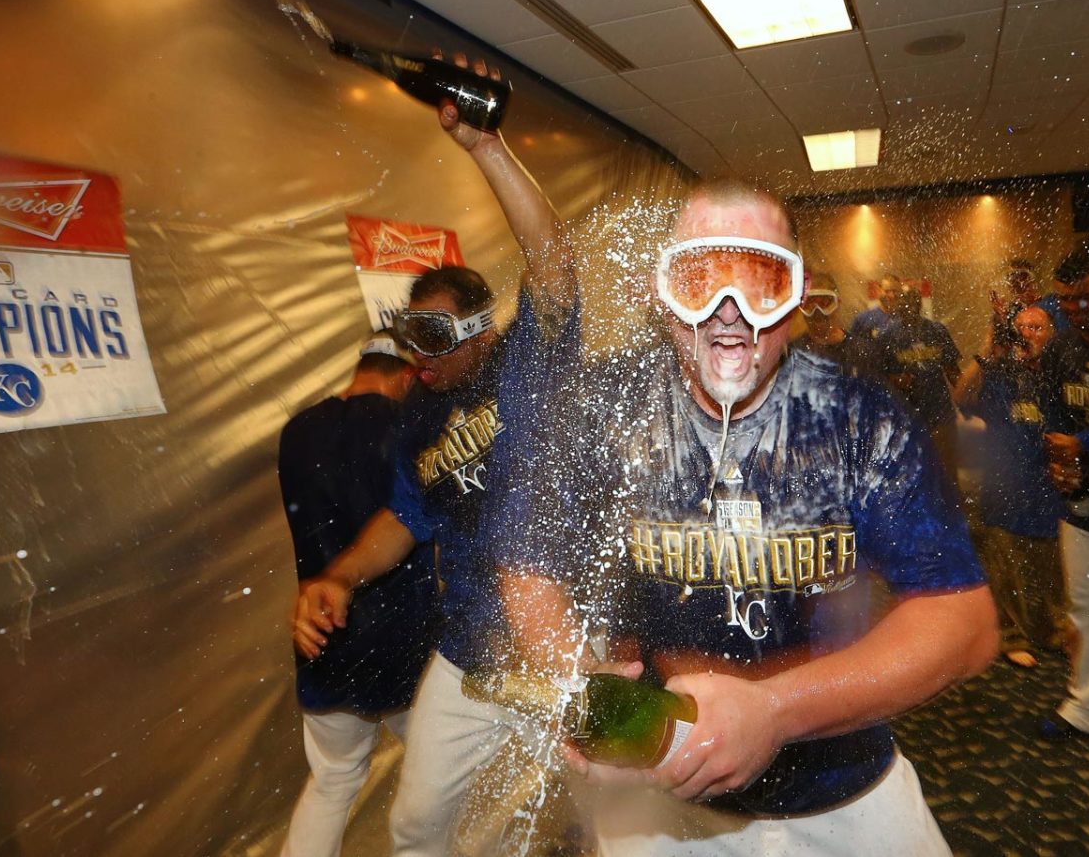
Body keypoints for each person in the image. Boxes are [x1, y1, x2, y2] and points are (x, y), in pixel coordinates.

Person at [491, 179, 997, 856]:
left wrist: (777, 711)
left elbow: (963, 621)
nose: (728, 311)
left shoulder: (859, 419)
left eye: (759, 278)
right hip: (660, 795)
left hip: (843, 787)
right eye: (700, 277)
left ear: (797, 296)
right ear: (658, 290)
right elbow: (529, 562)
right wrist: (581, 686)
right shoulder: (603, 410)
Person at [291, 52, 579, 856]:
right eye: (406, 335)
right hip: (471, 648)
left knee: (620, 816)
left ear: (480, 329)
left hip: (563, 630)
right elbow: (406, 516)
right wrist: (340, 574)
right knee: (417, 826)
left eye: (433, 335)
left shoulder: (530, 360)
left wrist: (486, 148)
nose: (418, 356)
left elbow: (553, 263)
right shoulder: (418, 414)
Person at [278, 332, 436, 857]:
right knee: (443, 786)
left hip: (322, 633)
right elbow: (418, 524)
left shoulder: (296, 432)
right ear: (407, 376)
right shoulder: (406, 427)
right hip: (402, 641)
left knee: (331, 783)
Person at [953, 306, 1068, 669]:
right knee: (1005, 571)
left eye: (1035, 327)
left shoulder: (1057, 373)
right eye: (1020, 328)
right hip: (1004, 487)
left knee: (1055, 574)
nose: (1027, 334)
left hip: (1049, 490)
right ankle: (1011, 636)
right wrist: (988, 351)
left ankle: (1055, 631)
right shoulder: (1000, 373)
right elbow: (960, 397)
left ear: (1050, 333)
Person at [1037, 244, 1089, 740]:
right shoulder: (1063, 349)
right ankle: (1088, 709)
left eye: (1084, 298)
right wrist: (1061, 464)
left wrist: (1083, 444)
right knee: (1085, 609)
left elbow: (1079, 434)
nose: (1073, 311)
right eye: (1064, 301)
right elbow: (1054, 417)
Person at [875, 284, 963, 488]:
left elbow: (952, 371)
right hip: (906, 416)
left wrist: (966, 401)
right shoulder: (887, 336)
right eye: (905, 301)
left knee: (946, 472)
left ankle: (949, 513)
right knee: (910, 475)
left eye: (913, 301)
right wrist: (895, 379)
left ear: (919, 304)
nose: (909, 306)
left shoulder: (936, 330)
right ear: (899, 304)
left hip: (939, 413)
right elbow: (876, 378)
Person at [791, 272, 869, 377]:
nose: (817, 312)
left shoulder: (860, 352)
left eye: (824, 303)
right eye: (809, 304)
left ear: (837, 304)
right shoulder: (792, 351)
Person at [848, 272, 901, 342]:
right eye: (887, 291)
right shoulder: (862, 319)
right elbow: (851, 346)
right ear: (879, 290)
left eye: (895, 291)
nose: (891, 295)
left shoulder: (905, 318)